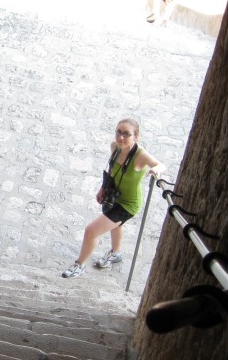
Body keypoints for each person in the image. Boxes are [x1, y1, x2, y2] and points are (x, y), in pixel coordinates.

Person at [61, 118, 165, 278]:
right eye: (119, 132)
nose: (121, 137)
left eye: (126, 134)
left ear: (136, 137)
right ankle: (115, 253)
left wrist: (155, 171)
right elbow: (112, 169)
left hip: (128, 204)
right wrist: (103, 188)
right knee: (116, 225)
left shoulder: (140, 155)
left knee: (91, 231)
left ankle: (79, 265)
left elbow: (160, 165)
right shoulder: (115, 147)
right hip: (114, 195)